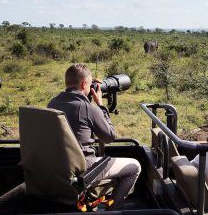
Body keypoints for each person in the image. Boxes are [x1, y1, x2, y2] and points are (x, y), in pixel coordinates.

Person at [47, 63, 141, 209]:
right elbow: (109, 137)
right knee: (134, 167)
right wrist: (100, 105)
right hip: (83, 168)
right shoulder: (89, 109)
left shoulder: (53, 103)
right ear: (85, 83)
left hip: (57, 167)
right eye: (90, 84)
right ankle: (112, 210)